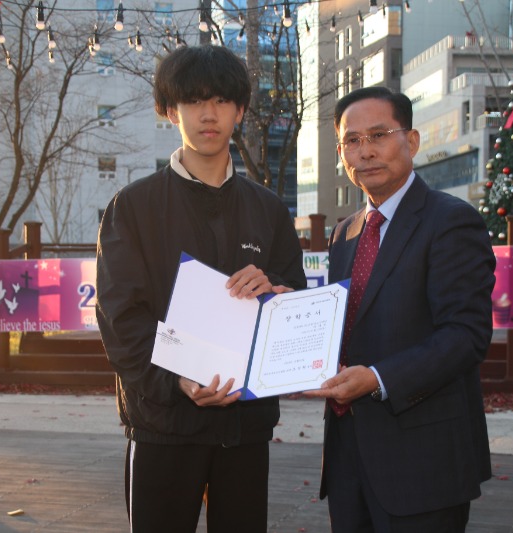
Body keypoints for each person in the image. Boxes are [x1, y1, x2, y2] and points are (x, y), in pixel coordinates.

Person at [95, 45, 307, 533]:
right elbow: (121, 319)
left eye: (221, 100)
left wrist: (275, 293)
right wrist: (176, 381)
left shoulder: (269, 210)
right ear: (170, 111)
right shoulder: (133, 207)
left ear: (240, 110)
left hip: (245, 428)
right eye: (193, 101)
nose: (208, 114)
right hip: (163, 425)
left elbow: (294, 304)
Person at [304, 86, 496, 532]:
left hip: (424, 461)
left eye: (379, 135)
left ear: (411, 141)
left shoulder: (451, 221)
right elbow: (345, 325)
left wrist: (378, 378)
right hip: (349, 457)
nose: (366, 151)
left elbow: (465, 336)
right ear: (341, 153)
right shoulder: (345, 233)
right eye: (352, 140)